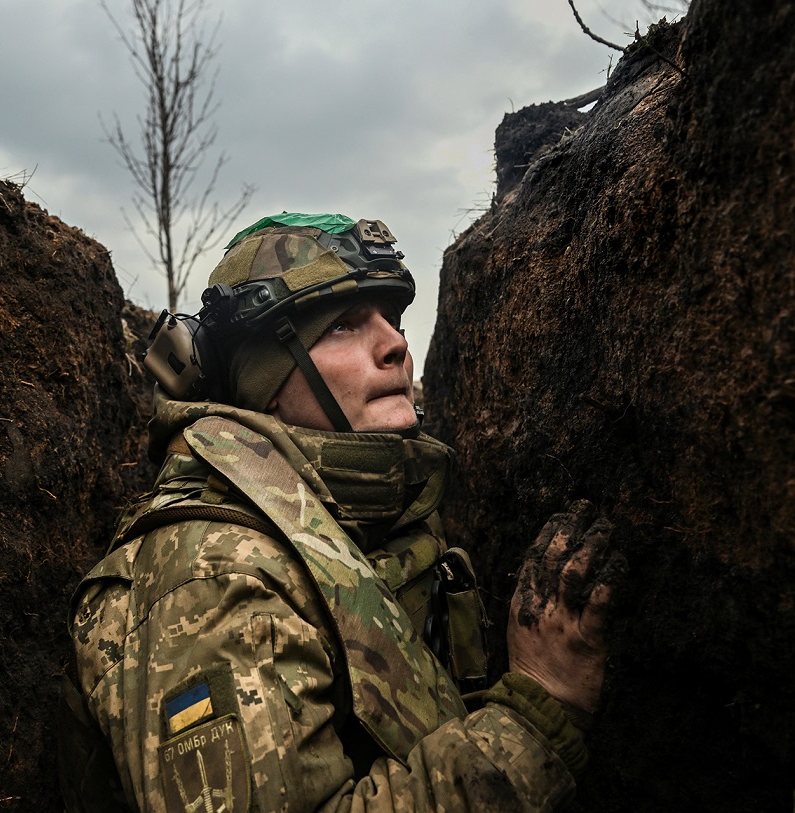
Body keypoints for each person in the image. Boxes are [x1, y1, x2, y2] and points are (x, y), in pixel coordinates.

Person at [59, 213, 621, 812]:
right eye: (344, 326)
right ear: (265, 385)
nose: (396, 345)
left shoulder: (367, 521)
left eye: (391, 319)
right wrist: (535, 713)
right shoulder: (215, 575)